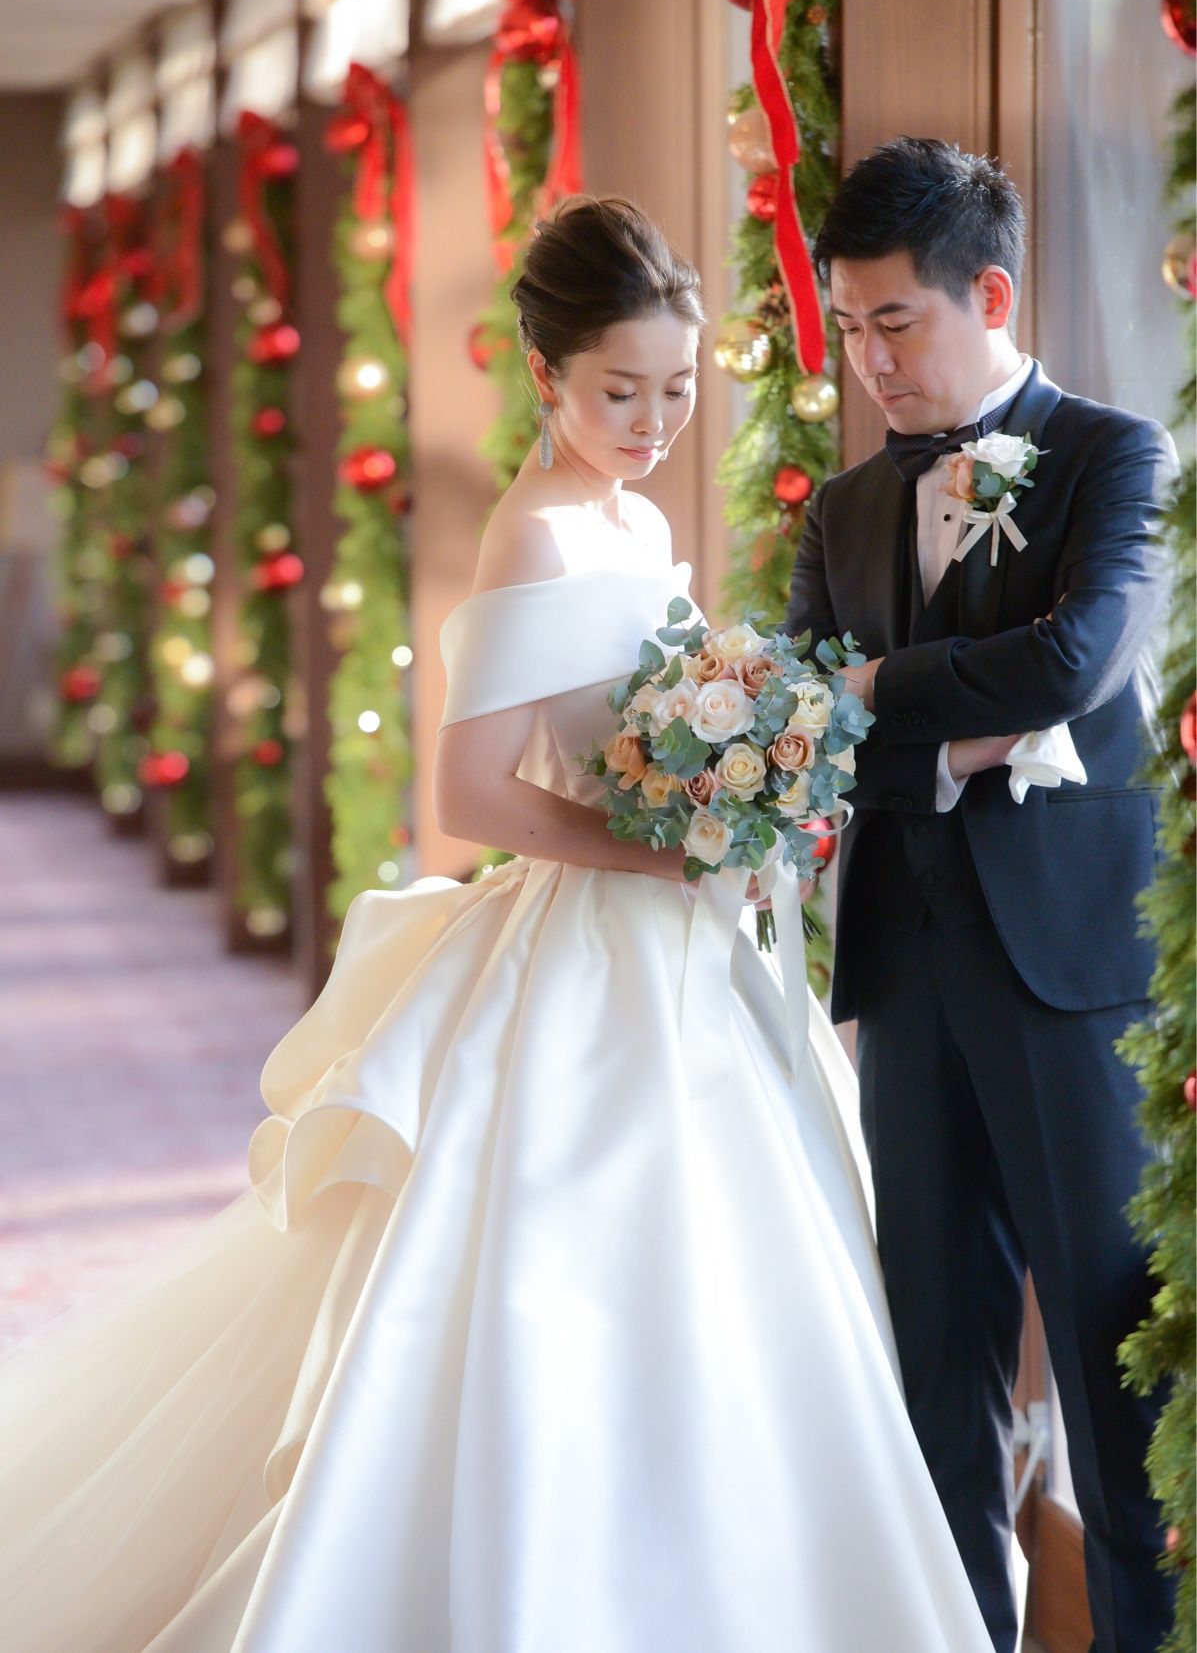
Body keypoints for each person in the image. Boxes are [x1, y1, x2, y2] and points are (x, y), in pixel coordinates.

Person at [0, 196, 997, 1653]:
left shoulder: (639, 518)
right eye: (619, 391)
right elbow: (471, 793)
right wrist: (668, 852)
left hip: (686, 945)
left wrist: (742, 797)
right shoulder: (531, 534)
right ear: (545, 375)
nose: (653, 422)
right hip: (588, 944)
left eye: (676, 387)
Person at [785, 137, 1176, 1653]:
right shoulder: (840, 509)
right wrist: (957, 733)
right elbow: (806, 727)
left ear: (989, 295)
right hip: (902, 971)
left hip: (1069, 973)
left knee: (1107, 1361)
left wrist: (883, 695)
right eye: (848, 328)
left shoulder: (1114, 456)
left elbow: (1077, 662)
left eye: (896, 323)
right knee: (931, 1373)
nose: (870, 362)